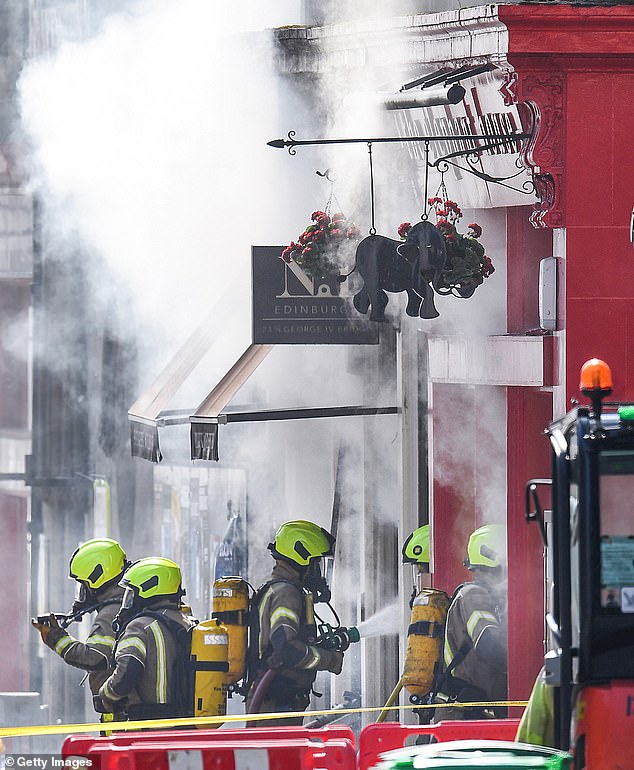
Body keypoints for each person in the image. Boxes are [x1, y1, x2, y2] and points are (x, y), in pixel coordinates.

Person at [245, 519, 345, 726]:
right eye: (316, 563)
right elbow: (286, 649)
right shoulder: (286, 593)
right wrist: (331, 660)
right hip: (276, 703)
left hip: (275, 701)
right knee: (278, 759)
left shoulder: (280, 589)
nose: (319, 572)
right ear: (302, 557)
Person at [31, 537, 129, 718]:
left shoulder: (110, 613)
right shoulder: (126, 603)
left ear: (97, 577)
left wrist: (56, 638)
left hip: (121, 717)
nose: (82, 592)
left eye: (83, 584)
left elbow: (95, 658)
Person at [94, 557, 194, 721]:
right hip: (184, 726)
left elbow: (127, 672)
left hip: (149, 727)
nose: (128, 600)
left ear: (149, 589)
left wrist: (105, 695)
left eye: (132, 593)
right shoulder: (186, 622)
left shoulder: (140, 626)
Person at [433, 523, 508, 720]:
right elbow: (490, 646)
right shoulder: (473, 596)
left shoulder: (489, 597)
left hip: (472, 714)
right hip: (463, 716)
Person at [515, 666, 555, 747]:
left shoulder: (552, 668)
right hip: (555, 755)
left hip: (550, 756)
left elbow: (535, 718)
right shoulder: (552, 669)